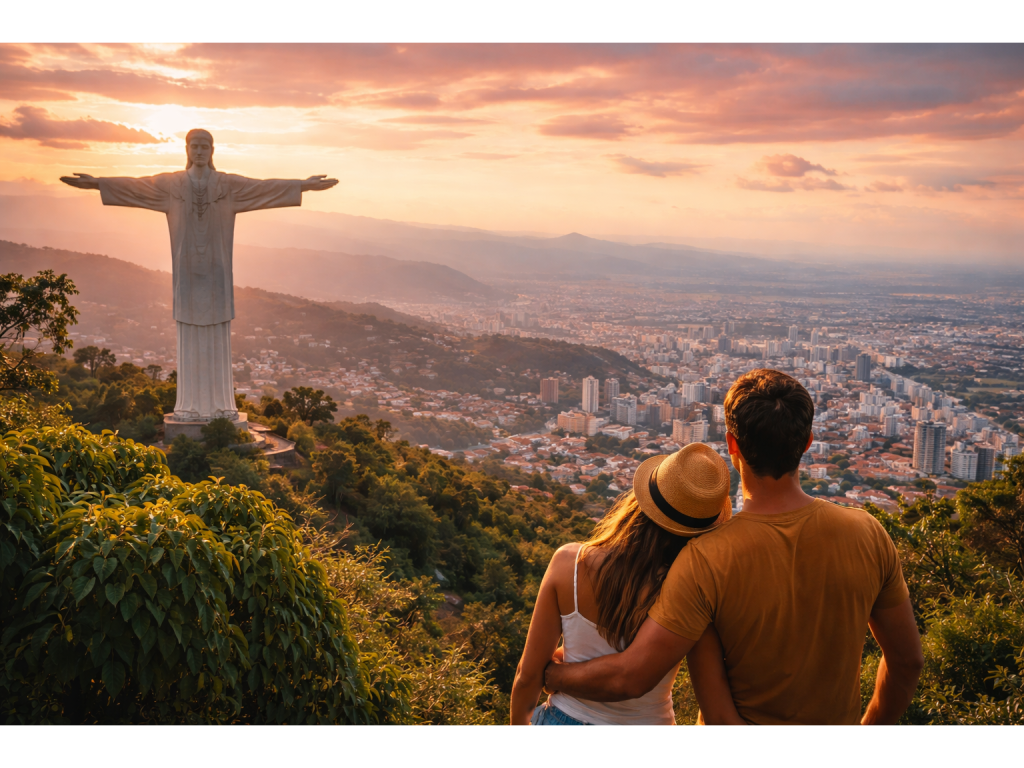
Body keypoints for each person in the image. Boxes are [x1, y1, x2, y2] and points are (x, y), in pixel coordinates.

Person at [544, 369, 924, 725]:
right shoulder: (868, 533)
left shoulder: (707, 559)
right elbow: (907, 662)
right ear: (807, 443)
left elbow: (632, 677)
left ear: (732, 446)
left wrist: (552, 674)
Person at [510, 442, 744, 725]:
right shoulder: (694, 594)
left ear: (640, 501)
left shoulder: (569, 564)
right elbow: (712, 698)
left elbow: (527, 676)